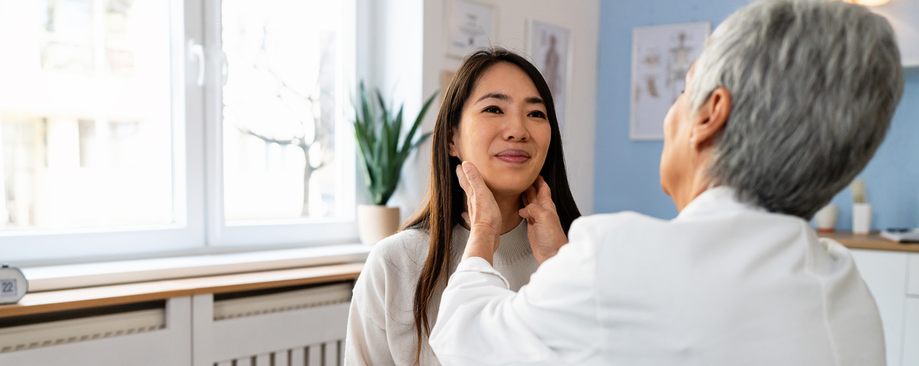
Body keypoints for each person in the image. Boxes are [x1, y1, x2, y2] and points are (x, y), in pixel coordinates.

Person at [429, 1, 904, 365]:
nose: (518, 128)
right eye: (494, 108)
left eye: (682, 92)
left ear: (711, 115)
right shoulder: (849, 293)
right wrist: (564, 263)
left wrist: (485, 234)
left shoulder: (618, 260)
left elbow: (465, 339)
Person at [344, 49, 582, 365]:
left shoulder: (578, 257)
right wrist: (483, 233)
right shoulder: (394, 263)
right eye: (494, 108)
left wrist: (561, 262)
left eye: (536, 114)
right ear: (451, 139)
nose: (518, 130)